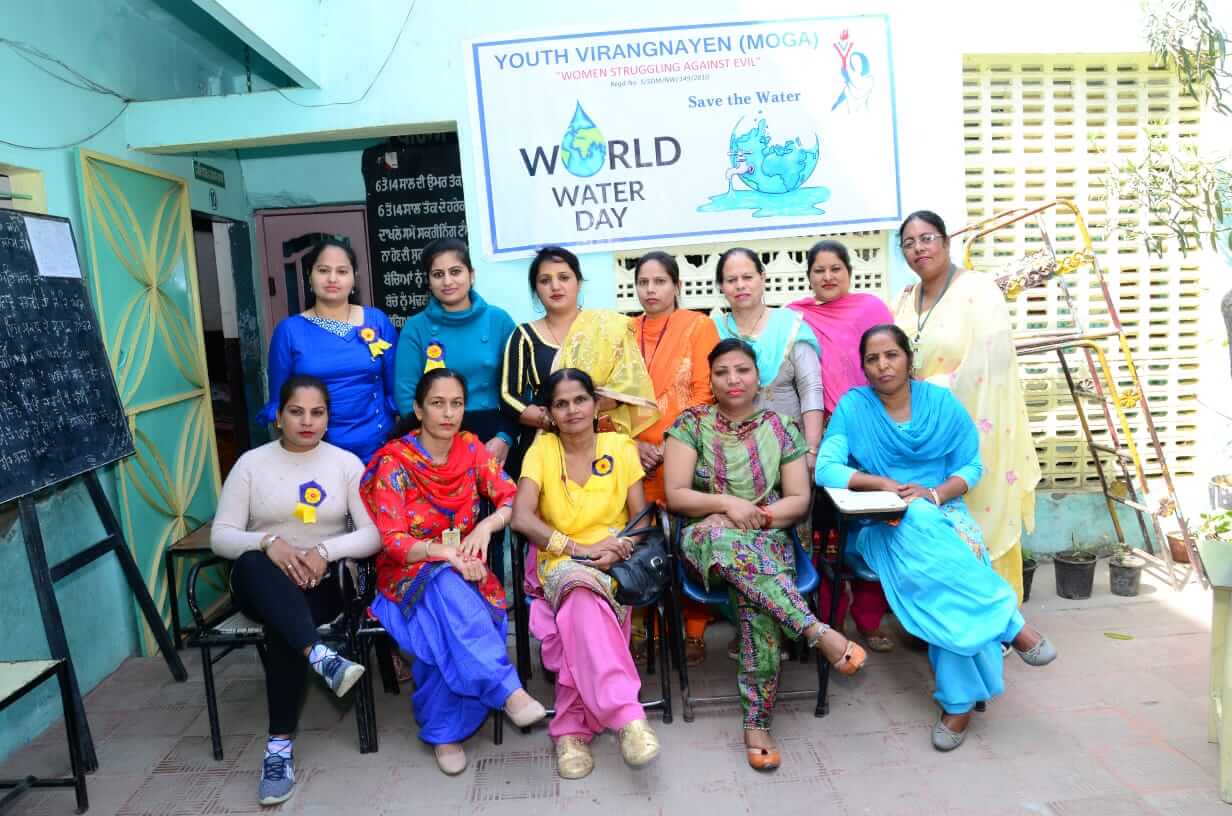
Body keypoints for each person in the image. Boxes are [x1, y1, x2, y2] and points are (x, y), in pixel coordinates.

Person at [815, 325, 1056, 751]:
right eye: (872, 359)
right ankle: (1009, 624)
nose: (882, 365)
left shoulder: (941, 403)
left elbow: (970, 466)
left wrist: (934, 494)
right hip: (882, 525)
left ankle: (958, 702)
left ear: (909, 358)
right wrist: (881, 484)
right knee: (930, 536)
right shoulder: (855, 407)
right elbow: (826, 469)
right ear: (864, 367)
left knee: (940, 574)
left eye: (891, 355)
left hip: (944, 513)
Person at [663, 338, 866, 772]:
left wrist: (752, 516)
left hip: (768, 534)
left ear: (758, 377)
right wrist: (727, 505)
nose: (733, 379)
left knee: (757, 602)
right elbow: (677, 495)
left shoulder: (782, 427)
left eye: (742, 370)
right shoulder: (690, 424)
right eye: (722, 372)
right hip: (708, 539)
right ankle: (815, 631)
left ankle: (757, 724)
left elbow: (798, 500)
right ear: (711, 380)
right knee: (730, 546)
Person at [360, 368, 546, 776]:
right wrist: (442, 552)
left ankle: (444, 732)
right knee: (445, 589)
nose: (448, 413)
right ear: (418, 409)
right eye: (438, 404)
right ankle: (505, 689)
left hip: (466, 566)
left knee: (440, 627)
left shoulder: (471, 449)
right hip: (405, 573)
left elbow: (511, 499)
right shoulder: (395, 461)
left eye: (456, 404)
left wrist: (486, 526)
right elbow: (392, 540)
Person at [211, 375, 380, 806]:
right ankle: (320, 657)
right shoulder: (251, 464)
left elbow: (373, 534)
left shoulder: (345, 464)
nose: (307, 422)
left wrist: (324, 551)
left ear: (328, 419)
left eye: (317, 413)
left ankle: (278, 749)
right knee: (255, 566)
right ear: (278, 417)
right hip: (261, 581)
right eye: (296, 412)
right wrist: (268, 542)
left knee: (285, 625)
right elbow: (221, 536)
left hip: (322, 585)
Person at [511, 368, 660, 780]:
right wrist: (579, 549)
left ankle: (571, 731)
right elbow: (522, 517)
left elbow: (640, 521)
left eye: (580, 399)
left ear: (596, 405)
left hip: (616, 560)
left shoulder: (620, 446)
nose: (572, 409)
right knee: (577, 591)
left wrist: (617, 547)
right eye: (561, 403)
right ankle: (628, 717)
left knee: (579, 608)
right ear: (549, 413)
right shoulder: (542, 450)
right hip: (560, 558)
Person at [891, 211, 1042, 602]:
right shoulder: (905, 298)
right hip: (920, 436)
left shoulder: (979, 290)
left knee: (980, 516)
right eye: (909, 243)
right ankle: (947, 617)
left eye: (927, 238)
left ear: (946, 241)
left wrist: (928, 392)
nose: (918, 248)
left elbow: (991, 363)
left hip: (975, 426)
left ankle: (999, 617)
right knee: (933, 522)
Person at [787, 239, 897, 653]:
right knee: (825, 533)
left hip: (873, 431)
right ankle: (830, 620)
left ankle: (869, 620)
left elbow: (891, 364)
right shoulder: (795, 318)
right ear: (808, 276)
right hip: (823, 437)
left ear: (849, 272)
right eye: (819, 270)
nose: (828, 277)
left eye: (836, 268)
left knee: (874, 524)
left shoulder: (870, 309)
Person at [630, 250, 720, 665]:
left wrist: (672, 443)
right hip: (635, 458)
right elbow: (609, 400)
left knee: (688, 541)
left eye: (660, 281)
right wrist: (634, 445)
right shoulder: (625, 332)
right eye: (643, 282)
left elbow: (705, 391)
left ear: (677, 285)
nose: (650, 290)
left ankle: (695, 630)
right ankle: (645, 626)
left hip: (686, 453)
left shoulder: (698, 326)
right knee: (641, 540)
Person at [501, 246, 658, 477]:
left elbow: (626, 389)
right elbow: (508, 396)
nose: (555, 286)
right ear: (536, 289)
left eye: (564, 277)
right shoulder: (524, 335)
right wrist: (553, 420)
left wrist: (577, 416)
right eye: (545, 280)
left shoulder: (607, 328)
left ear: (579, 283)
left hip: (602, 444)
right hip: (544, 446)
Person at [259, 239, 398, 463]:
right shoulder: (289, 331)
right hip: (315, 449)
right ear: (309, 276)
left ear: (354, 277)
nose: (332, 279)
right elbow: (280, 402)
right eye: (323, 270)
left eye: (342, 271)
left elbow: (395, 389)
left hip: (378, 446)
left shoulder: (376, 321)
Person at [393, 238, 518, 466]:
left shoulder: (498, 320)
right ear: (428, 281)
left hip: (493, 437)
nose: (447, 281)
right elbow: (406, 393)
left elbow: (518, 389)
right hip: (436, 438)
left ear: (472, 275)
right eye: (438, 274)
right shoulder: (416, 327)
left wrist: (505, 437)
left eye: (455, 271)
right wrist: (430, 443)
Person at [712, 248, 823, 470]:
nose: (740, 285)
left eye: (747, 277)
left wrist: (811, 449)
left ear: (762, 278)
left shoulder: (790, 325)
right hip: (731, 454)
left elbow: (811, 388)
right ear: (721, 286)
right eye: (731, 280)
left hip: (790, 450)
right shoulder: (711, 330)